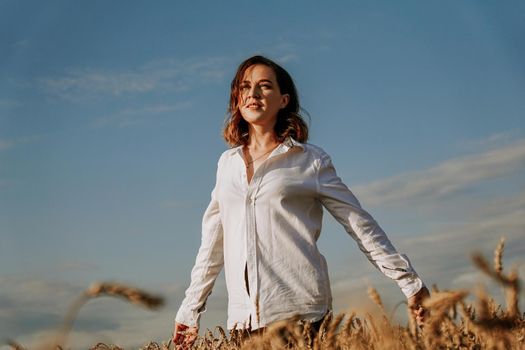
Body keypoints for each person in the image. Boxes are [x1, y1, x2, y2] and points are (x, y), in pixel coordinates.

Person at [173, 55, 429, 348]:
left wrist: (410, 282)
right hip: (243, 324)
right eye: (245, 87)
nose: (253, 94)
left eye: (264, 86)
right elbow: (212, 244)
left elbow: (359, 224)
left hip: (302, 316)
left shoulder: (311, 161)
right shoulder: (226, 164)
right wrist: (190, 309)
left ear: (283, 100)